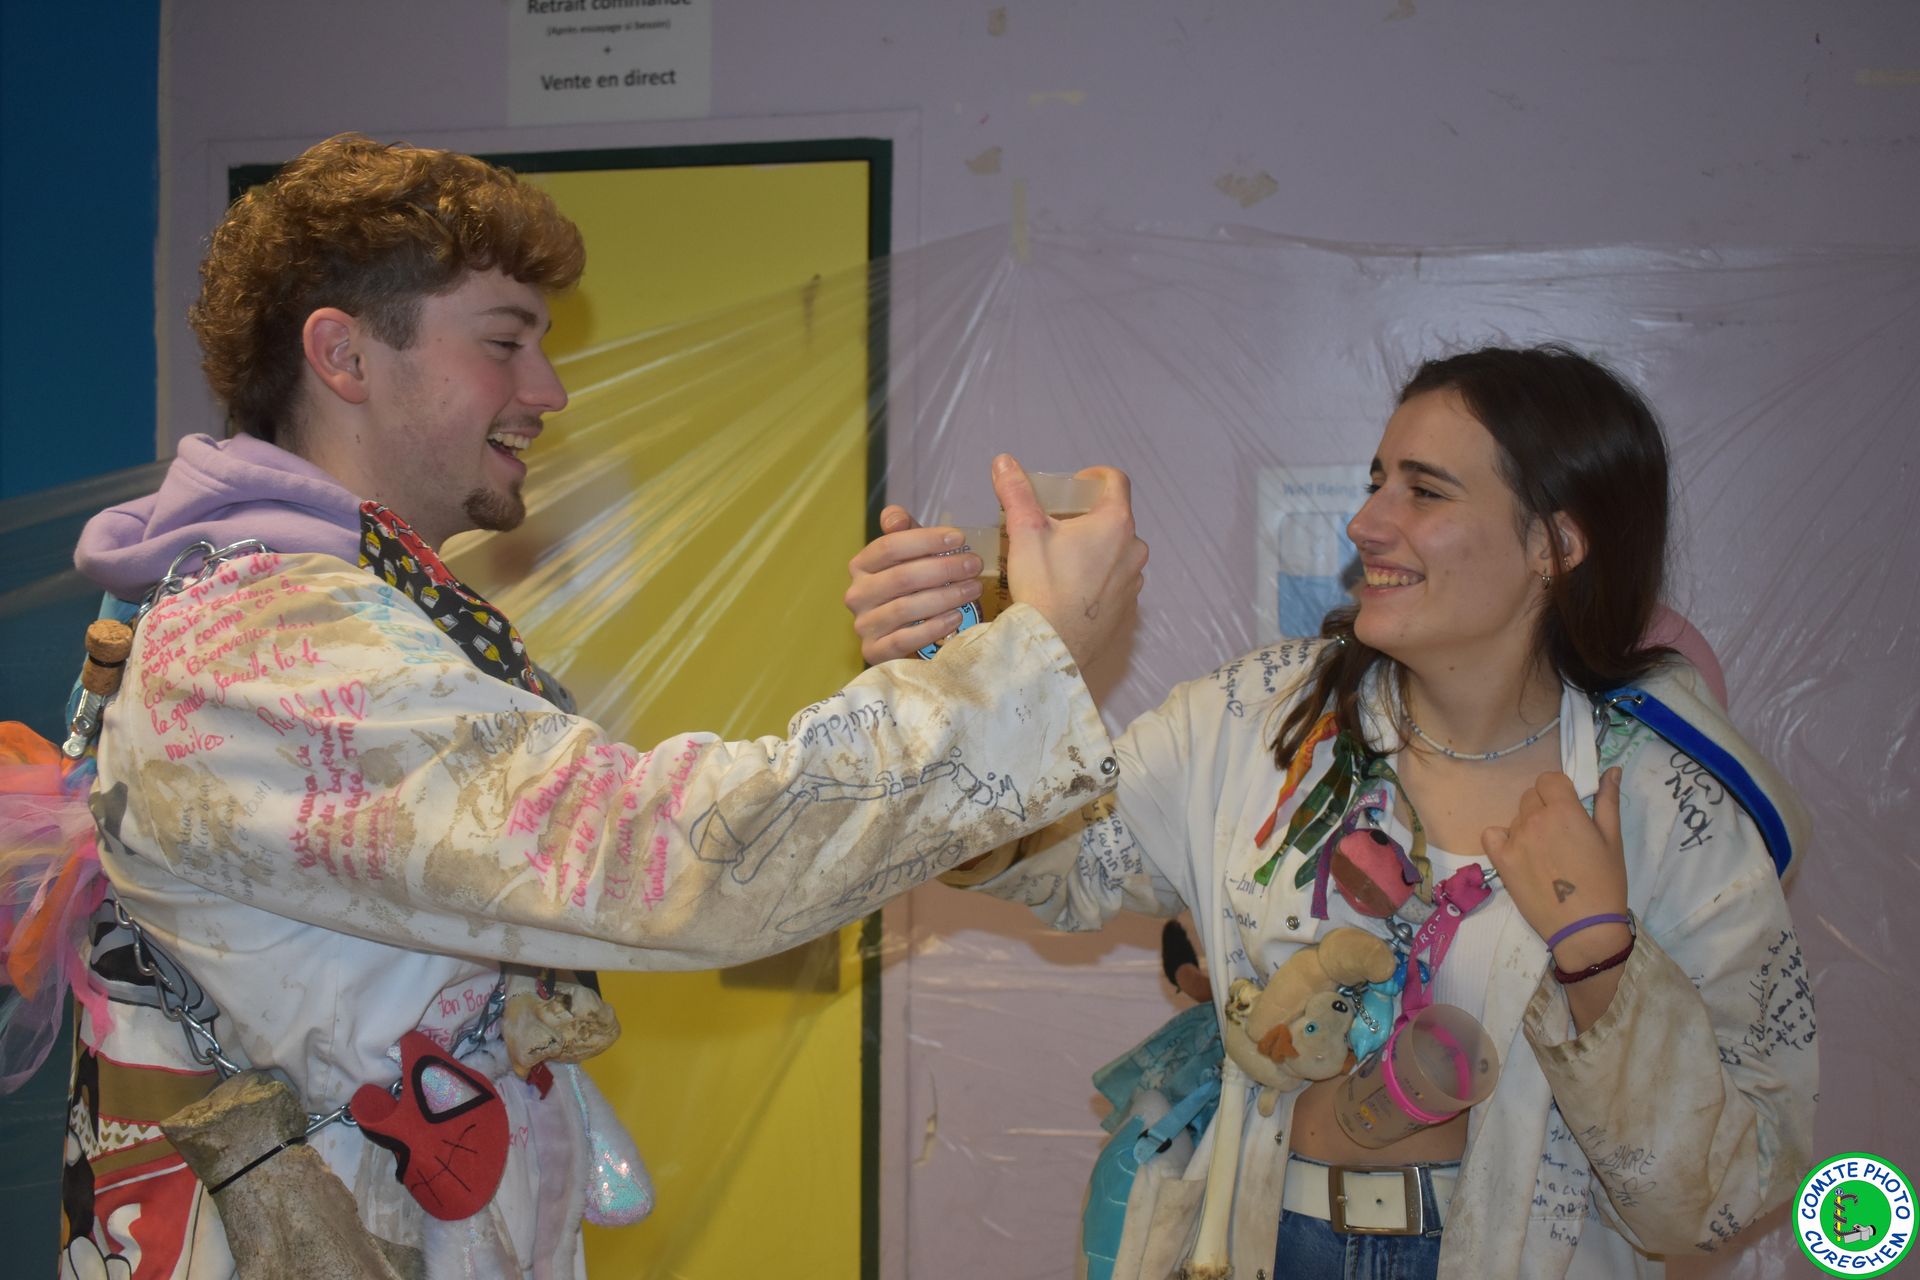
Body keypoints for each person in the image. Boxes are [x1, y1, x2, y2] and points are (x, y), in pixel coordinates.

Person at [52, 132, 1147, 1279]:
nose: (548, 391)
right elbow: (657, 855)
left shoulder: (349, 609)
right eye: (504, 342)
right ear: (343, 354)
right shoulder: (263, 643)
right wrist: (1029, 662)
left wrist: (955, 669)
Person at [845, 344, 1816, 1278]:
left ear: (1556, 544)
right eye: (1376, 480)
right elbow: (1054, 860)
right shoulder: (1258, 720)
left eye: (1424, 491)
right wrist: (953, 679)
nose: (1365, 522)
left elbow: (1717, 1198)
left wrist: (1600, 953)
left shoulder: (1672, 805)